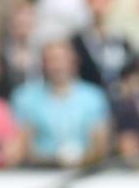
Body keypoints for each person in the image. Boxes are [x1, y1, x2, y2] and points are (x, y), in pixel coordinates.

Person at [11, 39, 110, 167]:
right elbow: (22, 146)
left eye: (62, 59)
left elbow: (100, 144)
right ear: (43, 64)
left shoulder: (93, 96)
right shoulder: (25, 97)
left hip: (85, 171)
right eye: (51, 60)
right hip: (39, 172)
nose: (57, 66)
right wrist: (53, 160)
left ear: (74, 62)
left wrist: (79, 159)